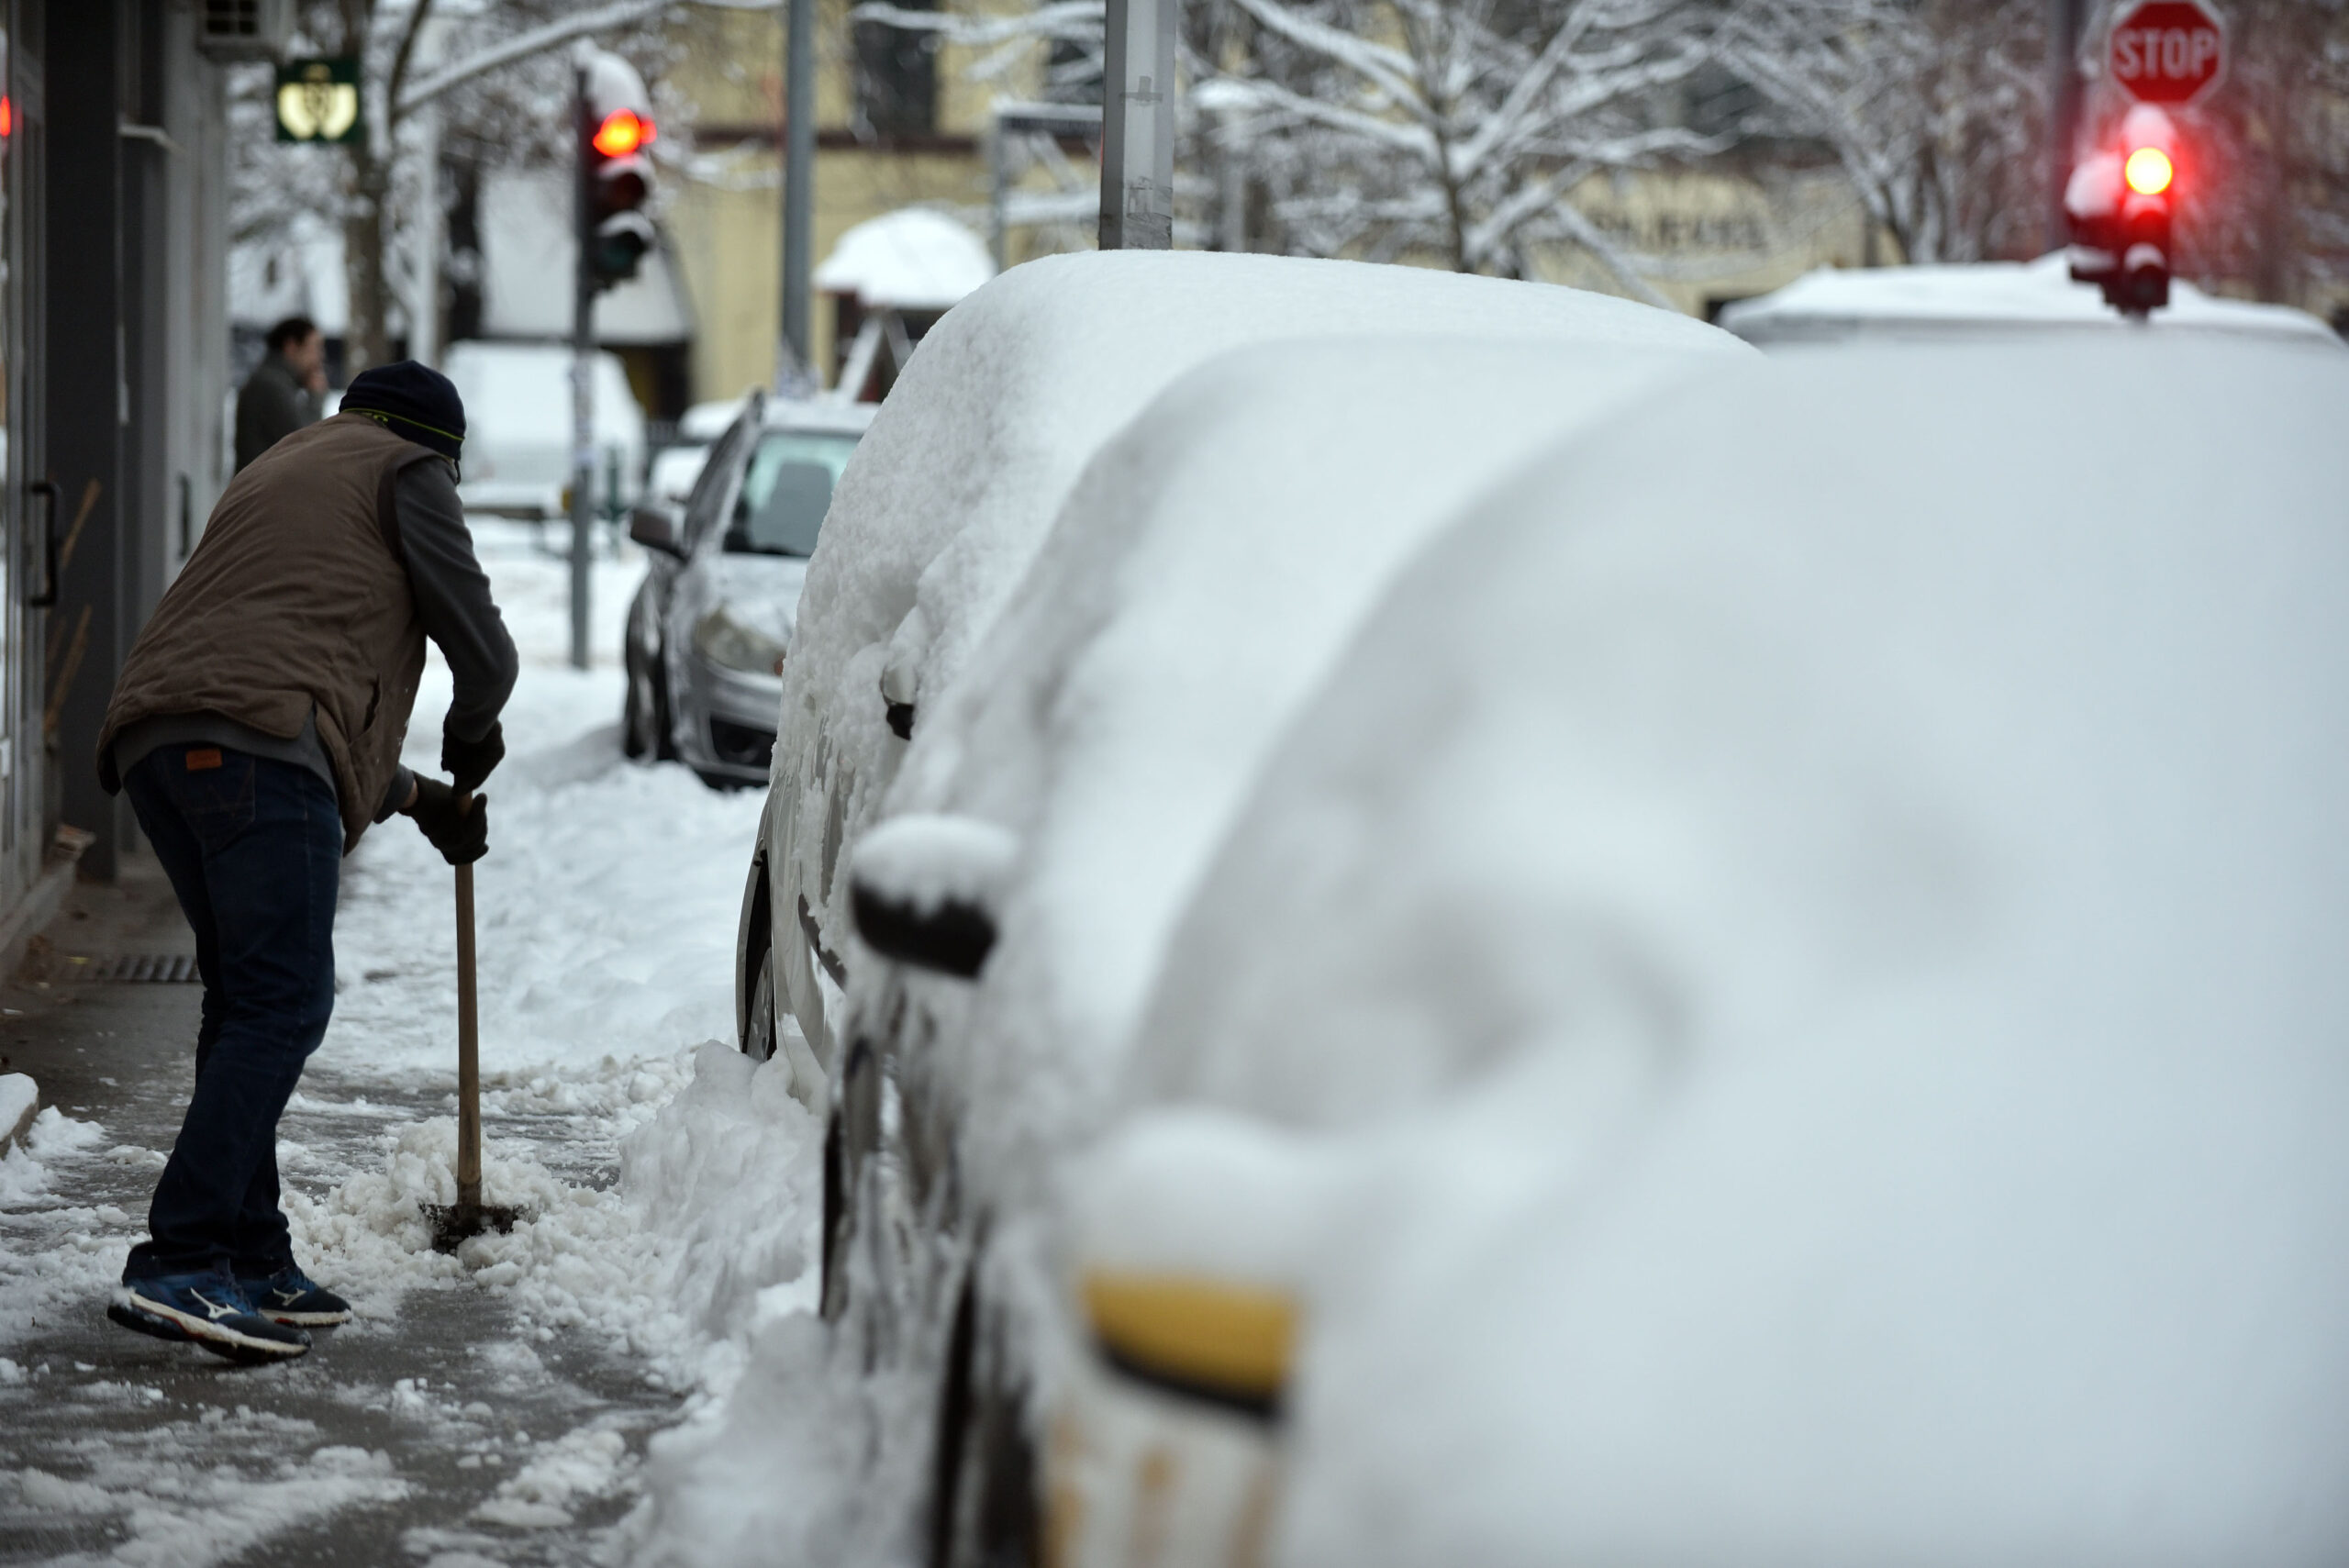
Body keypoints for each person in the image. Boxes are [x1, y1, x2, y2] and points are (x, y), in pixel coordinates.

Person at [95, 361, 518, 1364]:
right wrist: (473, 731)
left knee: (247, 996)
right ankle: (181, 1254)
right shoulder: (409, 471)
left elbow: (281, 661)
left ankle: (251, 1253)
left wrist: (420, 798)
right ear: (439, 451)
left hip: (159, 742)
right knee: (284, 1000)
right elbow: (484, 651)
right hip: (255, 744)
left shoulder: (290, 462)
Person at [235, 316, 328, 473]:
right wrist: (315, 398)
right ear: (291, 346)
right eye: (315, 348)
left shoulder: (275, 382)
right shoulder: (271, 385)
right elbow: (304, 443)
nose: (320, 357)